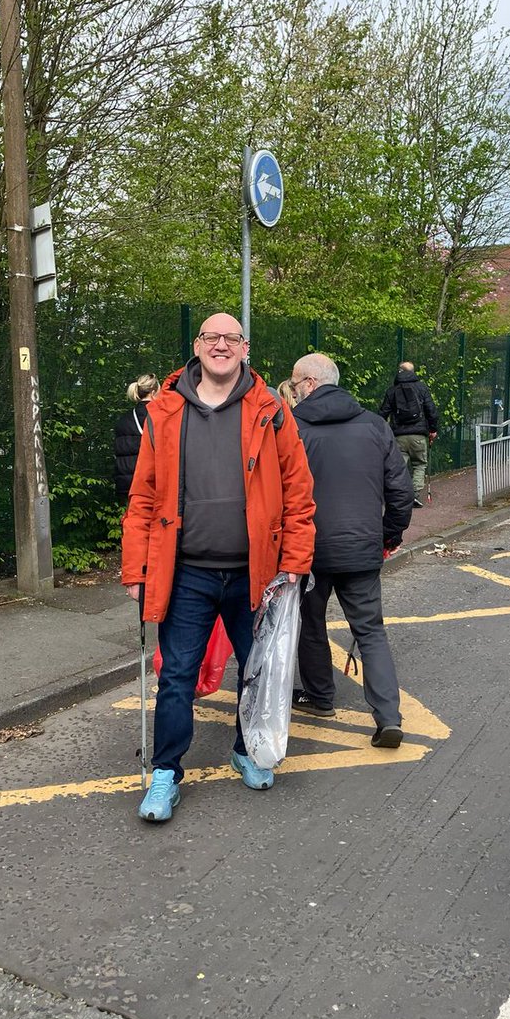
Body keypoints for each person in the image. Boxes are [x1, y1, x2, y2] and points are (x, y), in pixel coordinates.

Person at [121, 313, 315, 822]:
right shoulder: (164, 410)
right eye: (212, 337)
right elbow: (142, 497)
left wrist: (294, 559)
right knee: (178, 674)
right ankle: (165, 773)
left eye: (231, 338)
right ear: (197, 346)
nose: (221, 345)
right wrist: (136, 569)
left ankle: (246, 750)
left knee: (256, 671)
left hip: (258, 573)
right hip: (186, 572)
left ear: (245, 348)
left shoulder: (271, 410)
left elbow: (298, 490)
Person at [289, 353, 413, 747]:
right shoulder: (375, 426)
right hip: (361, 546)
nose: (292, 394)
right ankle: (388, 717)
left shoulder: (291, 429)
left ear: (309, 383)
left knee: (310, 625)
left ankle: (320, 697)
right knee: (371, 631)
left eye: (294, 386)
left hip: (307, 549)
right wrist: (387, 537)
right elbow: (401, 492)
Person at [378, 361, 439, 507]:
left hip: (398, 436)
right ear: (413, 371)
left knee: (399, 467)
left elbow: (382, 413)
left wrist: (383, 432)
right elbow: (431, 410)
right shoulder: (421, 388)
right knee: (419, 464)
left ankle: (397, 496)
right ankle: (414, 494)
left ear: (399, 371)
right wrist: (433, 429)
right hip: (418, 435)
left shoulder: (392, 391)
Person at [114, 373, 160, 499]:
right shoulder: (160, 417)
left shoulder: (123, 420)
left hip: (128, 486)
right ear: (153, 392)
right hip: (152, 484)